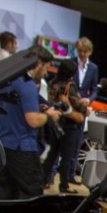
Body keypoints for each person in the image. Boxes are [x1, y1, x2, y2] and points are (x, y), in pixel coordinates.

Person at [0, 47, 62, 200]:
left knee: (5, 190)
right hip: (22, 146)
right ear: (39, 63)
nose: (46, 72)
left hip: (5, 144)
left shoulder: (10, 80)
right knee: (33, 189)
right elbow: (33, 120)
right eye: (46, 67)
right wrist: (49, 116)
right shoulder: (28, 85)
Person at [40, 59, 87, 194]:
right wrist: (84, 104)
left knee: (52, 154)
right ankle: (64, 185)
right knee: (67, 156)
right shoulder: (70, 86)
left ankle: (42, 181)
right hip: (70, 123)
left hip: (56, 121)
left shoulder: (52, 83)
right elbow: (78, 106)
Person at [73, 37, 98, 102]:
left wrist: (89, 99)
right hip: (68, 101)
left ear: (90, 52)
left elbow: (94, 90)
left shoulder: (93, 68)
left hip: (82, 104)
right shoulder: (71, 63)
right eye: (80, 51)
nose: (82, 54)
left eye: (85, 51)